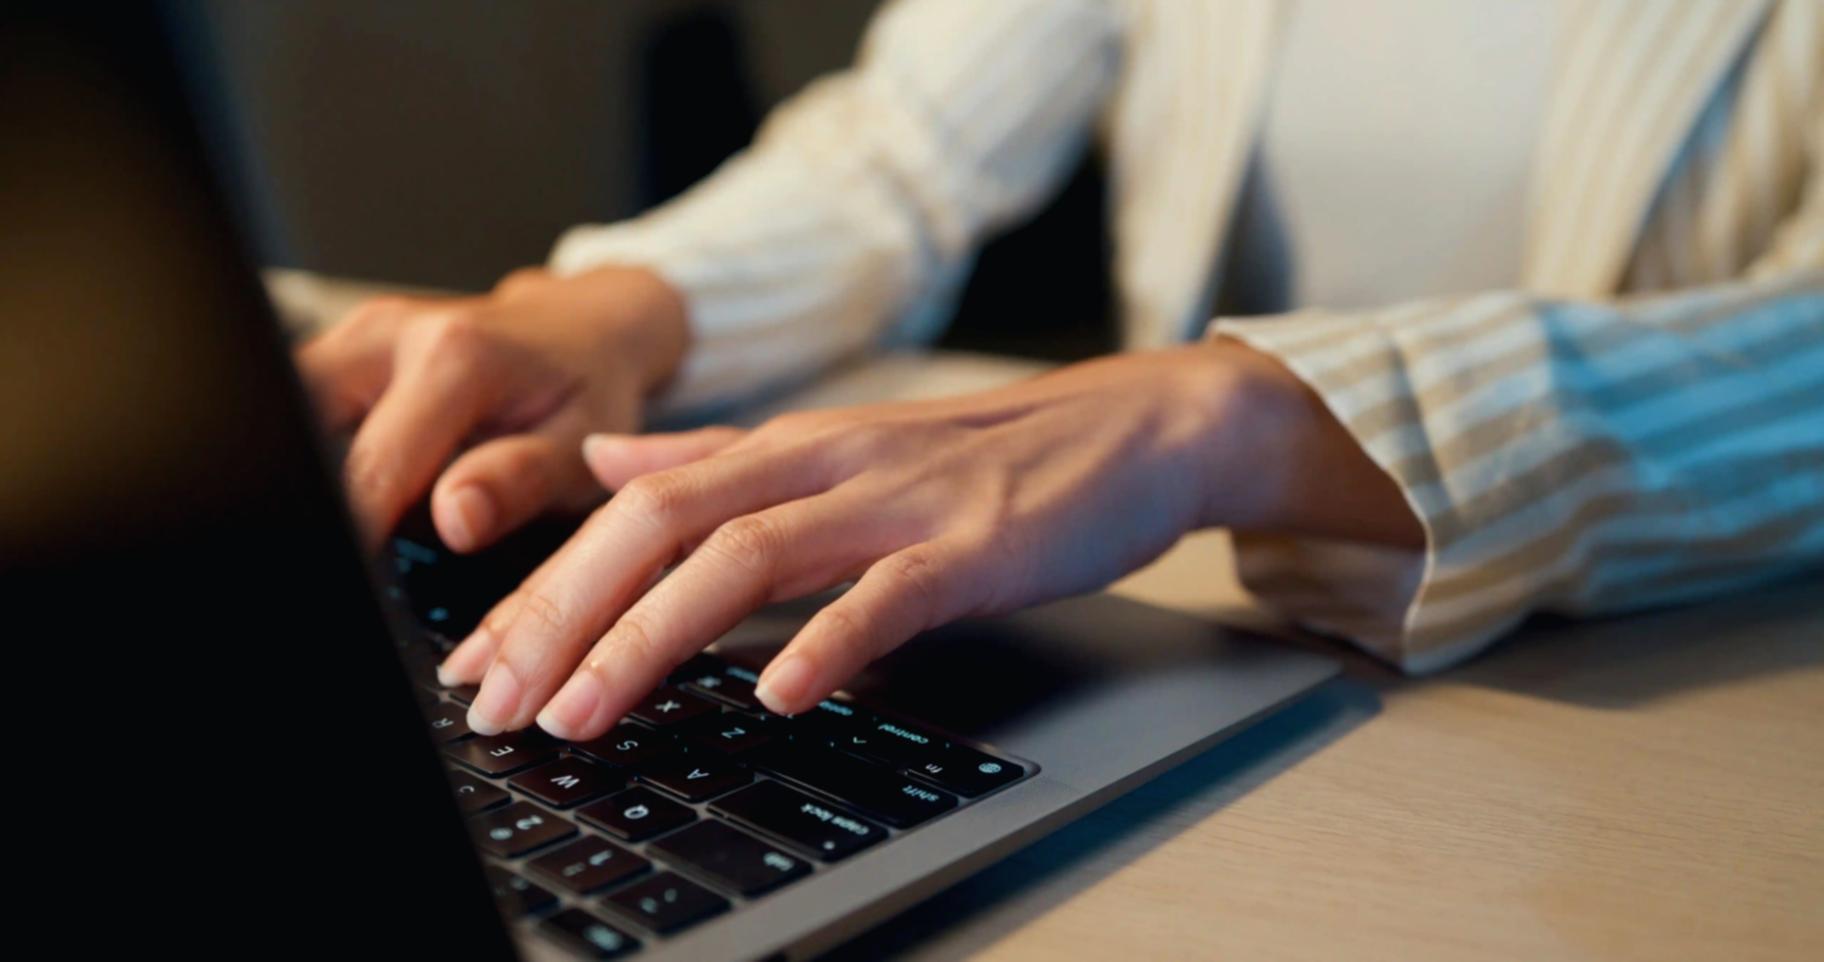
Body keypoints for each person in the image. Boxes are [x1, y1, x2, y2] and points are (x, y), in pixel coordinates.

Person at [298, 0, 1823, 741]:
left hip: (1643, 686)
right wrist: (611, 313)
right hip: (1190, 626)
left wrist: (1223, 411)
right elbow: (905, 152)